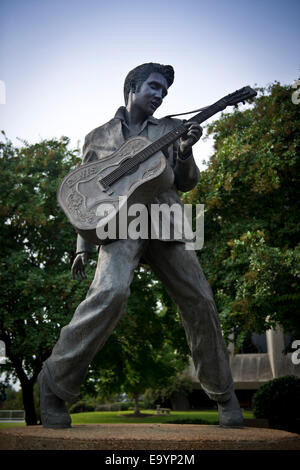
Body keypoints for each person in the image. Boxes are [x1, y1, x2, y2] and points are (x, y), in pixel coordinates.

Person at [38, 63, 243, 429]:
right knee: (109, 294)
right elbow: (85, 196)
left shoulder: (169, 128)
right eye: (154, 86)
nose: (160, 95)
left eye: (165, 91)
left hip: (166, 219)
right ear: (131, 87)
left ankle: (223, 394)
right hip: (118, 224)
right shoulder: (97, 137)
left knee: (200, 300)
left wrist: (183, 152)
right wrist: (82, 246)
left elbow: (186, 182)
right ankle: (54, 384)